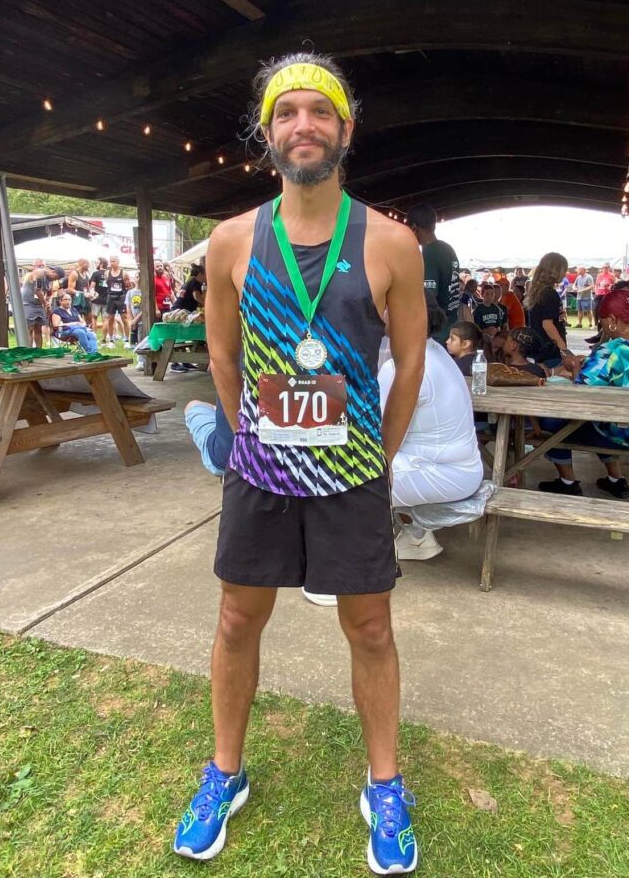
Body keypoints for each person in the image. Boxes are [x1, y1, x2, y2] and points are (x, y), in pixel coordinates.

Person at [174, 52, 425, 873]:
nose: (304, 125)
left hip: (351, 475)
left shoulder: (390, 242)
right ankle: (224, 773)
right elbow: (220, 355)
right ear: (267, 131)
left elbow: (413, 364)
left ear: (345, 130)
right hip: (263, 472)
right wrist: (252, 435)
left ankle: (383, 784)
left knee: (371, 627)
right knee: (238, 618)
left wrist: (376, 456)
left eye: (321, 111)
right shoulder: (231, 241)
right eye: (288, 113)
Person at [538, 290, 629, 500]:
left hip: (627, 435)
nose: (603, 327)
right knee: (603, 418)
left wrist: (573, 367)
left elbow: (582, 391)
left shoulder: (612, 350)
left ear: (613, 320)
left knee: (551, 419)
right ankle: (616, 480)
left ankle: (567, 482)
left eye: (603, 321)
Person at [379, 296, 483, 562]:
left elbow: (375, 431)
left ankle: (347, 560)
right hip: (457, 468)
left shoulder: (403, 366)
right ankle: (417, 537)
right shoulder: (435, 351)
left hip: (444, 472)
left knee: (347, 479)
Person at [407, 204, 460, 342]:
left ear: (414, 228)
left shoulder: (429, 254)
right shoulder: (448, 249)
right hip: (452, 329)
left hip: (436, 334)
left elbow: (428, 297)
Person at [525, 252, 578, 369]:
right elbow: (547, 325)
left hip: (539, 347)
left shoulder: (538, 292)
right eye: (564, 270)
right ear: (555, 271)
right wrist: (564, 349)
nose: (565, 273)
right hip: (550, 350)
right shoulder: (550, 294)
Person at [21, 264, 53, 347]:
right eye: (39, 264)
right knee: (30, 328)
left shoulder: (50, 280)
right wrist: (45, 303)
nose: (55, 279)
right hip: (28, 304)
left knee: (38, 328)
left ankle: (38, 350)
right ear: (52, 271)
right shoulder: (39, 273)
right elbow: (37, 290)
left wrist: (48, 303)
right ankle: (29, 350)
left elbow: (49, 293)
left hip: (39, 305)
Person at [104, 255, 130, 347]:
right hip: (111, 297)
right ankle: (111, 340)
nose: (111, 263)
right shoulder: (107, 273)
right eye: (110, 261)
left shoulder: (124, 273)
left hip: (121, 297)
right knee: (110, 318)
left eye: (113, 261)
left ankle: (127, 340)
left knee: (124, 318)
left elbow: (128, 285)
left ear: (118, 262)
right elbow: (107, 283)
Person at [68, 258, 93, 327]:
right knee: (77, 322)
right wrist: (82, 293)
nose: (89, 265)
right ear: (81, 264)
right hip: (77, 302)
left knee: (90, 321)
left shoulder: (86, 274)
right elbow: (70, 289)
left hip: (86, 301)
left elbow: (87, 288)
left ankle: (89, 336)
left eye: (89, 263)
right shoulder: (74, 274)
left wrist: (92, 293)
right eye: (87, 263)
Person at [89, 257, 110, 340]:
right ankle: (104, 339)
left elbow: (92, 287)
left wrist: (91, 295)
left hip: (96, 299)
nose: (96, 264)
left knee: (94, 318)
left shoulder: (95, 273)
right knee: (106, 319)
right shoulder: (110, 273)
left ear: (101, 264)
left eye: (97, 262)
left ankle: (94, 338)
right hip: (107, 299)